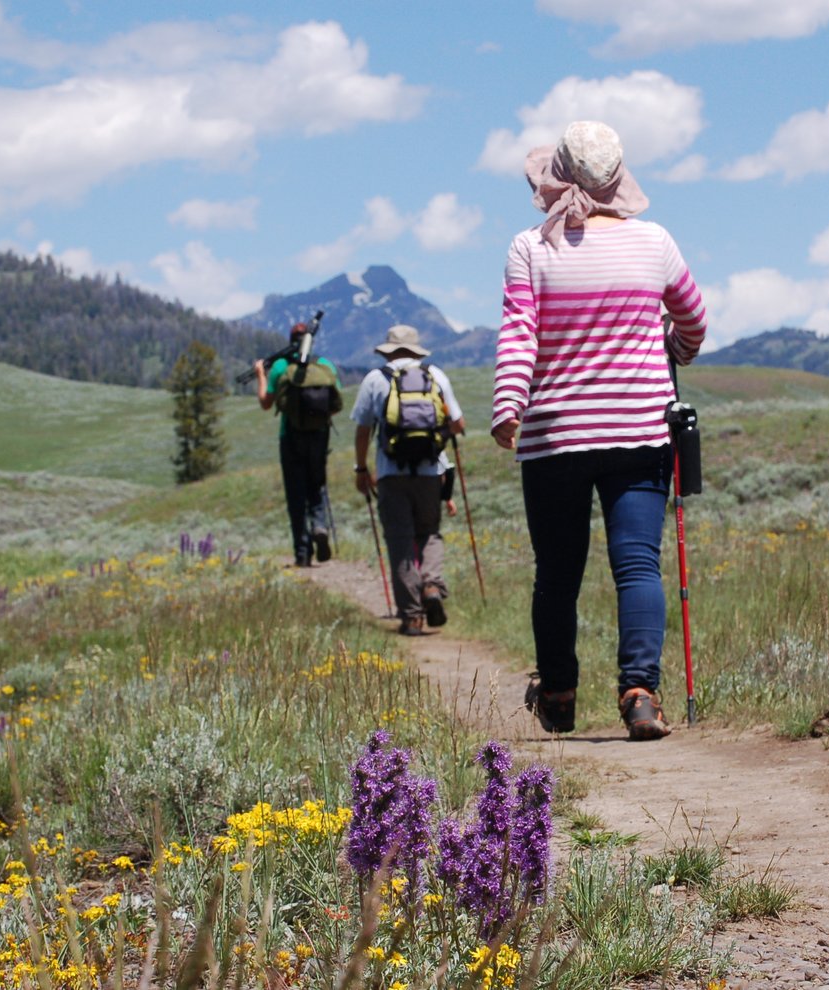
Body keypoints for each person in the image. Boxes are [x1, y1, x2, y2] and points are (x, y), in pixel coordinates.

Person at [491, 120, 708, 741]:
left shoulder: (530, 247)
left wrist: (509, 408)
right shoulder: (655, 242)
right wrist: (677, 347)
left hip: (556, 434)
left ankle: (558, 696)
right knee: (638, 565)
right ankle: (640, 693)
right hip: (639, 428)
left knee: (557, 571)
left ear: (557, 176)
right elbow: (693, 318)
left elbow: (519, 334)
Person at [352, 324, 466, 636]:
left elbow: (363, 430)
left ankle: (412, 616)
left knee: (400, 542)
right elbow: (458, 423)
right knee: (429, 533)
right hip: (430, 472)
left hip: (391, 474)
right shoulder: (436, 375)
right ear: (416, 350)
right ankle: (430, 585)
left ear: (388, 349)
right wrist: (438, 435)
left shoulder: (375, 379)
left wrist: (361, 470)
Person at [254, 322, 343, 567]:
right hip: (320, 435)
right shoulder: (324, 365)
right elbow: (335, 404)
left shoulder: (281, 367)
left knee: (296, 493)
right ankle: (320, 525)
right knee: (317, 485)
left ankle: (302, 553)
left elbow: (265, 403)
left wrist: (261, 374)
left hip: (290, 435)